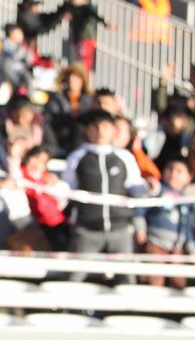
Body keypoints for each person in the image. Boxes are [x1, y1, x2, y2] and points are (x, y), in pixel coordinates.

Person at [63, 109, 148, 284]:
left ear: (113, 130)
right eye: (95, 127)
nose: (100, 132)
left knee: (127, 279)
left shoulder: (124, 157)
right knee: (74, 277)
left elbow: (136, 188)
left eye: (105, 127)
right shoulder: (77, 157)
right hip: (87, 229)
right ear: (88, 130)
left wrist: (149, 188)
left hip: (120, 229)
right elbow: (66, 187)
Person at [133, 157, 195, 289]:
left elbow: (188, 228)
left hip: (177, 249)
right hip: (155, 244)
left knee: (178, 282)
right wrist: (140, 229)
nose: (173, 173)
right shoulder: (157, 190)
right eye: (170, 169)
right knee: (153, 280)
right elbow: (140, 210)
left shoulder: (186, 200)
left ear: (188, 177)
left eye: (179, 171)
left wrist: (192, 249)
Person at [62, 0, 112, 73]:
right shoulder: (70, 7)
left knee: (84, 65)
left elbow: (95, 16)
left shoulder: (85, 7)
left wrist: (105, 23)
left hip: (86, 39)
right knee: (79, 63)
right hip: (77, 39)